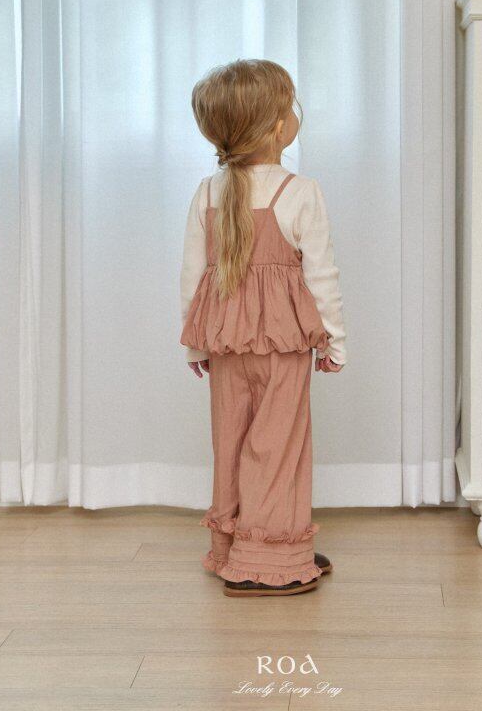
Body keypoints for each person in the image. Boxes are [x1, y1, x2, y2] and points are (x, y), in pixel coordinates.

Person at [180, 58, 347, 597]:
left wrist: (195, 345)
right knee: (278, 445)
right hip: (282, 342)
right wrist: (334, 340)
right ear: (277, 127)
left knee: (231, 439)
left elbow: (191, 277)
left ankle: (238, 548)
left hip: (225, 343)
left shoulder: (208, 192)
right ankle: (267, 559)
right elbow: (322, 276)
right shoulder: (300, 191)